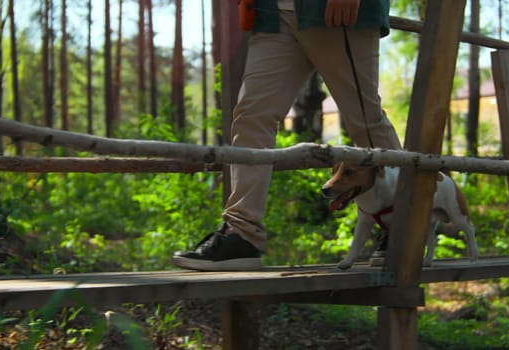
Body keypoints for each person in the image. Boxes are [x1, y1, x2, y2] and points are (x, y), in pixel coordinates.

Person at [172, 0, 402, 271]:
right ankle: (242, 234)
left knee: (364, 118)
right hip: (272, 12)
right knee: (251, 115)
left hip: (334, 10)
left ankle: (402, 223)